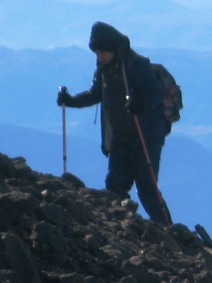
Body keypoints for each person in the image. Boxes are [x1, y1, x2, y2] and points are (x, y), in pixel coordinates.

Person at [57, 22, 172, 225]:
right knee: (115, 186)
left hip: (146, 136)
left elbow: (154, 94)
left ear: (112, 49)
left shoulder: (137, 65)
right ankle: (125, 227)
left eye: (103, 52)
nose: (100, 56)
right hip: (122, 136)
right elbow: (95, 94)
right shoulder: (104, 69)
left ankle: (169, 232)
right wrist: (70, 101)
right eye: (97, 52)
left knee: (147, 189)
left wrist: (140, 105)